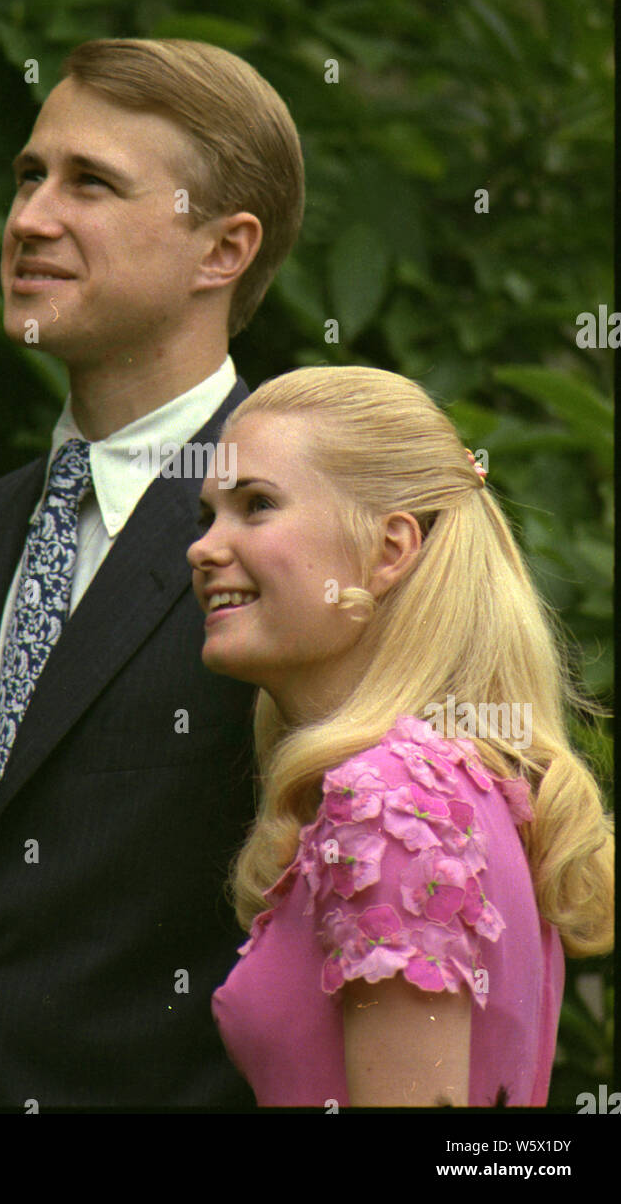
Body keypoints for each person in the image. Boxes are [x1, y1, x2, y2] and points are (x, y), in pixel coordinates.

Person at [0, 37, 305, 1107]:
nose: (29, 217)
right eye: (30, 175)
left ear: (221, 250)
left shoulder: (304, 529)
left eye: (91, 184)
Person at [188, 365, 614, 1107]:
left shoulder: (392, 799)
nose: (203, 548)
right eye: (207, 517)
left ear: (389, 551)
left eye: (255, 505)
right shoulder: (462, 781)